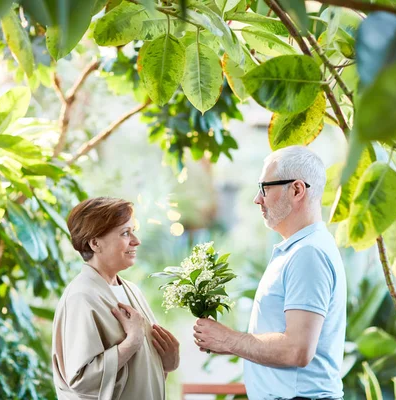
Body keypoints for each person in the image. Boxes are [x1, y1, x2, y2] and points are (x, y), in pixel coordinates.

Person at [193, 146, 346, 400]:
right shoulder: (299, 249)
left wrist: (228, 339)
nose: (257, 199)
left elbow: (296, 350)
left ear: (297, 190)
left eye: (265, 188)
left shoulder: (308, 253)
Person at [52, 197, 179, 400]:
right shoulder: (80, 297)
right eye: (125, 233)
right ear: (95, 243)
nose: (136, 241)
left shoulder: (132, 291)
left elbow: (138, 374)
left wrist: (167, 363)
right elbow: (81, 381)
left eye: (133, 231)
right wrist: (132, 343)